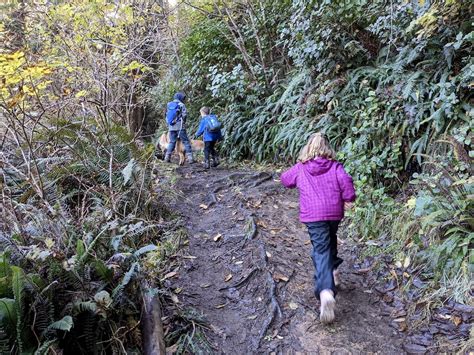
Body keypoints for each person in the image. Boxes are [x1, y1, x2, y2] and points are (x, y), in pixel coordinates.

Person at [280, 132, 356, 324]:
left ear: (308, 148)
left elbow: (285, 179)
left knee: (320, 249)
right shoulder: (336, 166)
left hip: (313, 215)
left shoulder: (301, 168)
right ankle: (334, 271)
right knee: (330, 240)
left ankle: (325, 290)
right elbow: (346, 182)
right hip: (333, 212)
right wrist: (348, 199)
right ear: (328, 148)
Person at [164, 92, 194, 164]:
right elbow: (184, 115)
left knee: (172, 142)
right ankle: (190, 158)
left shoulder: (169, 104)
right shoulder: (181, 105)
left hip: (171, 127)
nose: (183, 99)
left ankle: (167, 157)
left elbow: (166, 115)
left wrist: (170, 123)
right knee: (185, 141)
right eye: (183, 98)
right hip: (180, 126)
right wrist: (183, 122)